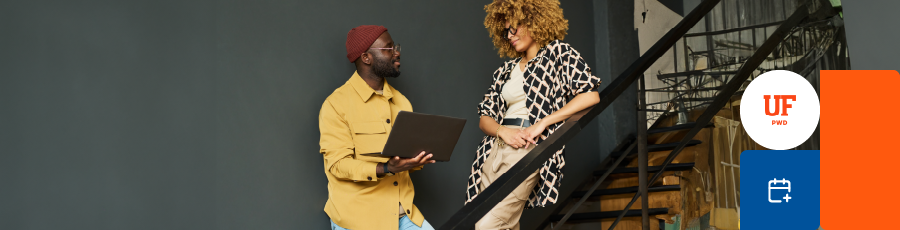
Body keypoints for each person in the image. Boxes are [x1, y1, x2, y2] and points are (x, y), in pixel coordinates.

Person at [464, 0, 602, 229]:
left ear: (533, 21)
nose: (509, 35)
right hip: (494, 150)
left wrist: (543, 123)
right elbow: (484, 118)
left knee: (488, 225)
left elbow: (590, 95)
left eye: (514, 27)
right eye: (505, 30)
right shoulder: (504, 71)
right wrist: (503, 132)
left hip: (528, 148)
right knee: (502, 223)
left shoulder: (558, 54)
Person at [320, 25, 436, 230]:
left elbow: (406, 157)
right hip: (359, 220)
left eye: (395, 47)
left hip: (404, 216)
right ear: (366, 57)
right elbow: (338, 165)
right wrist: (386, 168)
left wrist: (419, 158)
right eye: (389, 48)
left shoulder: (402, 102)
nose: (397, 52)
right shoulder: (335, 105)